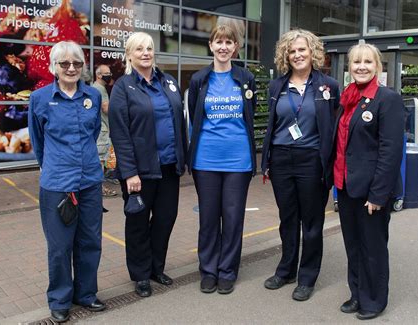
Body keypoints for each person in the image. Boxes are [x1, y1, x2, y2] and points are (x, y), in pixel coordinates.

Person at [28, 41, 106, 323]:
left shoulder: (92, 97)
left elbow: (94, 131)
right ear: (54, 67)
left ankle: (86, 294)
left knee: (89, 242)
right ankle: (60, 299)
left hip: (89, 182)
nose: (71, 68)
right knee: (60, 246)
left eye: (77, 63)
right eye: (65, 64)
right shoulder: (39, 99)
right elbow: (38, 141)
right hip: (57, 184)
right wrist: (53, 166)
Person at [261, 29, 339, 301]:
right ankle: (286, 270)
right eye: (292, 51)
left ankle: (307, 277)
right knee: (287, 219)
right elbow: (274, 125)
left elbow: (335, 127)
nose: (297, 55)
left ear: (312, 52)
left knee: (312, 221)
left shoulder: (328, 86)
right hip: (281, 158)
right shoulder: (277, 87)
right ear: (286, 55)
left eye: (302, 50)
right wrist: (267, 160)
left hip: (312, 160)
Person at [108, 32, 187, 298]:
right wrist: (129, 172)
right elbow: (120, 133)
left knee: (165, 219)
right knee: (138, 222)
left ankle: (156, 267)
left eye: (149, 48)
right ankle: (140, 275)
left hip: (168, 167)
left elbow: (180, 123)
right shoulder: (123, 87)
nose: (146, 52)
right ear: (129, 55)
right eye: (139, 48)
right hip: (139, 172)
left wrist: (182, 158)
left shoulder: (168, 82)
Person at [333, 43, 404, 320]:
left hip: (372, 190)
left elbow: (390, 150)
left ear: (378, 67)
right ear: (349, 67)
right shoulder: (348, 97)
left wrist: (377, 194)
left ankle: (374, 301)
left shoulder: (387, 99)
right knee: (353, 245)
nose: (361, 66)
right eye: (356, 62)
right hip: (346, 185)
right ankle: (357, 294)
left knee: (372, 247)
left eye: (368, 62)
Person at [187, 25, 257, 295]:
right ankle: (208, 270)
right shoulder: (199, 80)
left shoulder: (246, 78)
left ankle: (227, 271)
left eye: (229, 42)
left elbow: (248, 117)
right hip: (205, 160)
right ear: (211, 45)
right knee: (208, 219)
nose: (224, 47)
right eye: (219, 41)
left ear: (236, 47)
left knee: (232, 218)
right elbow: (194, 117)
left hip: (238, 161)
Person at [92, 64, 117, 197]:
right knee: (100, 161)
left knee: (102, 160)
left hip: (103, 129)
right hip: (102, 130)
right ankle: (100, 188)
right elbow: (106, 109)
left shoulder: (99, 88)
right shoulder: (99, 89)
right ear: (99, 75)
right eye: (106, 73)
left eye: (110, 72)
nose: (109, 75)